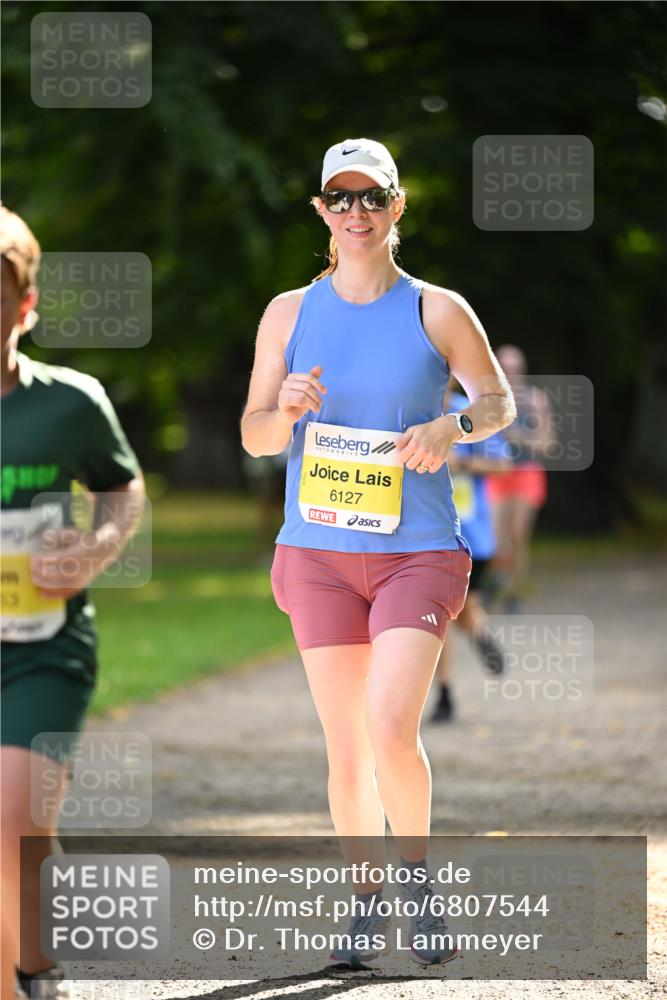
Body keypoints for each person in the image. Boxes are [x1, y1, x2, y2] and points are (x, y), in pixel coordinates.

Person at [241, 138, 515, 968]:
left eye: (373, 197)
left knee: (391, 724)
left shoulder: (437, 308)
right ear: (321, 211)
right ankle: (366, 905)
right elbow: (254, 437)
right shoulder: (288, 312)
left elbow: (496, 402)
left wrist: (450, 425)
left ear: (398, 208)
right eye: (340, 197)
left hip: (417, 551)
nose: (356, 212)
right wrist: (283, 411)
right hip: (317, 556)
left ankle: (418, 883)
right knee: (346, 745)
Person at [0, 206, 144, 1000]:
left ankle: (37, 964)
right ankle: (29, 969)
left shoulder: (71, 401)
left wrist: (93, 550)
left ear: (26, 305)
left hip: (42, 648)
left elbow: (123, 490)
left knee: (15, 822)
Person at [431, 383, 512, 723]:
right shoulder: (407, 408)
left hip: (473, 536)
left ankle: (477, 632)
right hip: (429, 533)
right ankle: (445, 694)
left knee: (459, 612)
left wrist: (462, 464)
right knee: (437, 618)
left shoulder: (472, 412)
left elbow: (503, 466)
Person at [485, 345, 553, 612]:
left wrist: (520, 437)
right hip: (496, 472)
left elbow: (548, 443)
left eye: (516, 368)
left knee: (516, 536)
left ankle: (514, 595)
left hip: (526, 473)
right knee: (494, 537)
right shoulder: (489, 398)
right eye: (506, 367)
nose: (511, 373)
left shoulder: (535, 400)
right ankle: (496, 582)